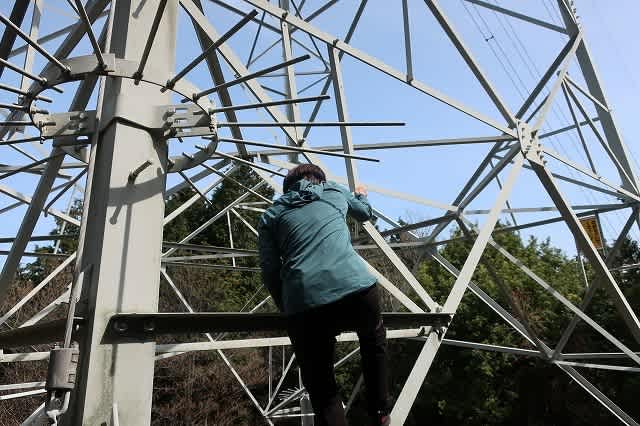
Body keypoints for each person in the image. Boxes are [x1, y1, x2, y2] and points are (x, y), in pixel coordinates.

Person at [258, 164, 390, 426]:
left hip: (304, 302)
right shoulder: (333, 190)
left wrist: (288, 308)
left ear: (287, 188)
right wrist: (361, 195)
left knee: (322, 386)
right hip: (357, 289)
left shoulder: (271, 214)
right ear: (320, 179)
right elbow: (364, 213)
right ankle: (380, 410)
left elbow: (270, 270)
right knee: (373, 338)